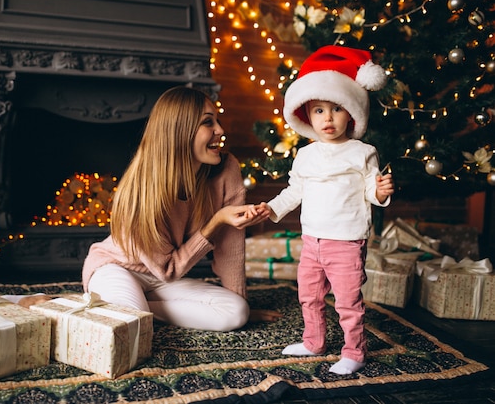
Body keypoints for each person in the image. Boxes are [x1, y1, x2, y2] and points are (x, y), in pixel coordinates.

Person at [74, 85, 281, 332]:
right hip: (117, 268)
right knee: (131, 328)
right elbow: (168, 270)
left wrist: (241, 303)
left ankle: (138, 308)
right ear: (179, 131)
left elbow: (231, 248)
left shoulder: (226, 170)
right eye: (208, 123)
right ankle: (129, 309)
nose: (220, 130)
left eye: (217, 120)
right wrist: (215, 222)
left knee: (236, 312)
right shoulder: (141, 188)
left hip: (161, 281)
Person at [247, 45, 394, 374]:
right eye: (318, 111)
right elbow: (294, 190)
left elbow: (371, 189)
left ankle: (354, 352)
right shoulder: (306, 155)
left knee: (347, 302)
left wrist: (380, 191)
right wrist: (269, 209)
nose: (327, 118)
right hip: (312, 240)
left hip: (345, 241)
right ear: (306, 115)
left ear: (352, 113)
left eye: (336, 109)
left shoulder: (362, 152)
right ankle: (314, 340)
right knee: (309, 295)